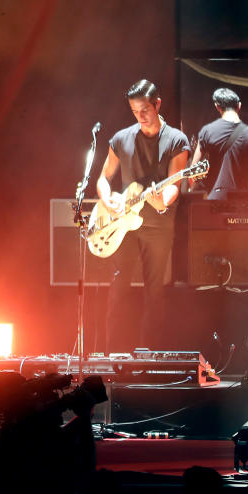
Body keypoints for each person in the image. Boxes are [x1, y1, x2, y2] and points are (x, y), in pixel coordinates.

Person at [96, 79, 190, 352]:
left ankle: (151, 357)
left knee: (155, 293)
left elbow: (175, 184)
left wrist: (160, 202)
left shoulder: (176, 140)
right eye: (135, 111)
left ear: (157, 104)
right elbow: (103, 178)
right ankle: (113, 357)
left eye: (145, 110)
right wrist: (107, 198)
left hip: (158, 226)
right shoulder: (121, 139)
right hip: (123, 223)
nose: (140, 116)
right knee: (118, 289)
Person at [191, 87, 248, 199]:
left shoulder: (207, 131)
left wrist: (196, 189)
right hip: (244, 202)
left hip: (214, 201)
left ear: (217, 106)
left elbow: (193, 171)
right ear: (239, 106)